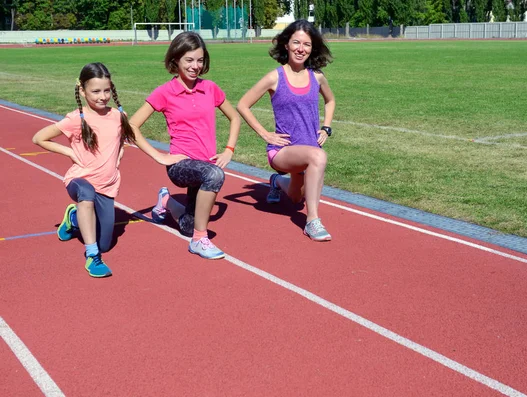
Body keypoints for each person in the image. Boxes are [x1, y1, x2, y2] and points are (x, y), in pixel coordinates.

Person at [31, 63, 178, 277]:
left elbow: (131, 137)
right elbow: (39, 138)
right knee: (86, 195)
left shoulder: (119, 116)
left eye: (106, 90)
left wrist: (158, 156)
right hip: (80, 179)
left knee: (106, 243)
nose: (102, 96)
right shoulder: (75, 119)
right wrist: (70, 153)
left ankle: (73, 218)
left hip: (107, 185)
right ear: (82, 91)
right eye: (96, 91)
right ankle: (92, 256)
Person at [129, 32, 240, 260]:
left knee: (188, 224)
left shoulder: (210, 88)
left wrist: (229, 149)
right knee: (215, 175)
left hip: (204, 164)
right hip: (181, 165)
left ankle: (166, 201)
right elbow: (131, 125)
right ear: (176, 60)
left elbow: (235, 118)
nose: (195, 66)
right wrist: (159, 157)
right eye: (189, 60)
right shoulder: (164, 92)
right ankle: (199, 240)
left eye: (199, 60)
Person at [237, 19, 336, 242]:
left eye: (307, 44)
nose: (301, 49)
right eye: (296, 42)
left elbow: (330, 101)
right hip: (282, 152)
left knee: (295, 199)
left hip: (308, 148)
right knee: (319, 157)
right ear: (286, 45)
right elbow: (243, 104)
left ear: (313, 48)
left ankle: (276, 182)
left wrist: (326, 128)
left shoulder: (317, 76)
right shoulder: (275, 77)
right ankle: (312, 221)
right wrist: (265, 134)